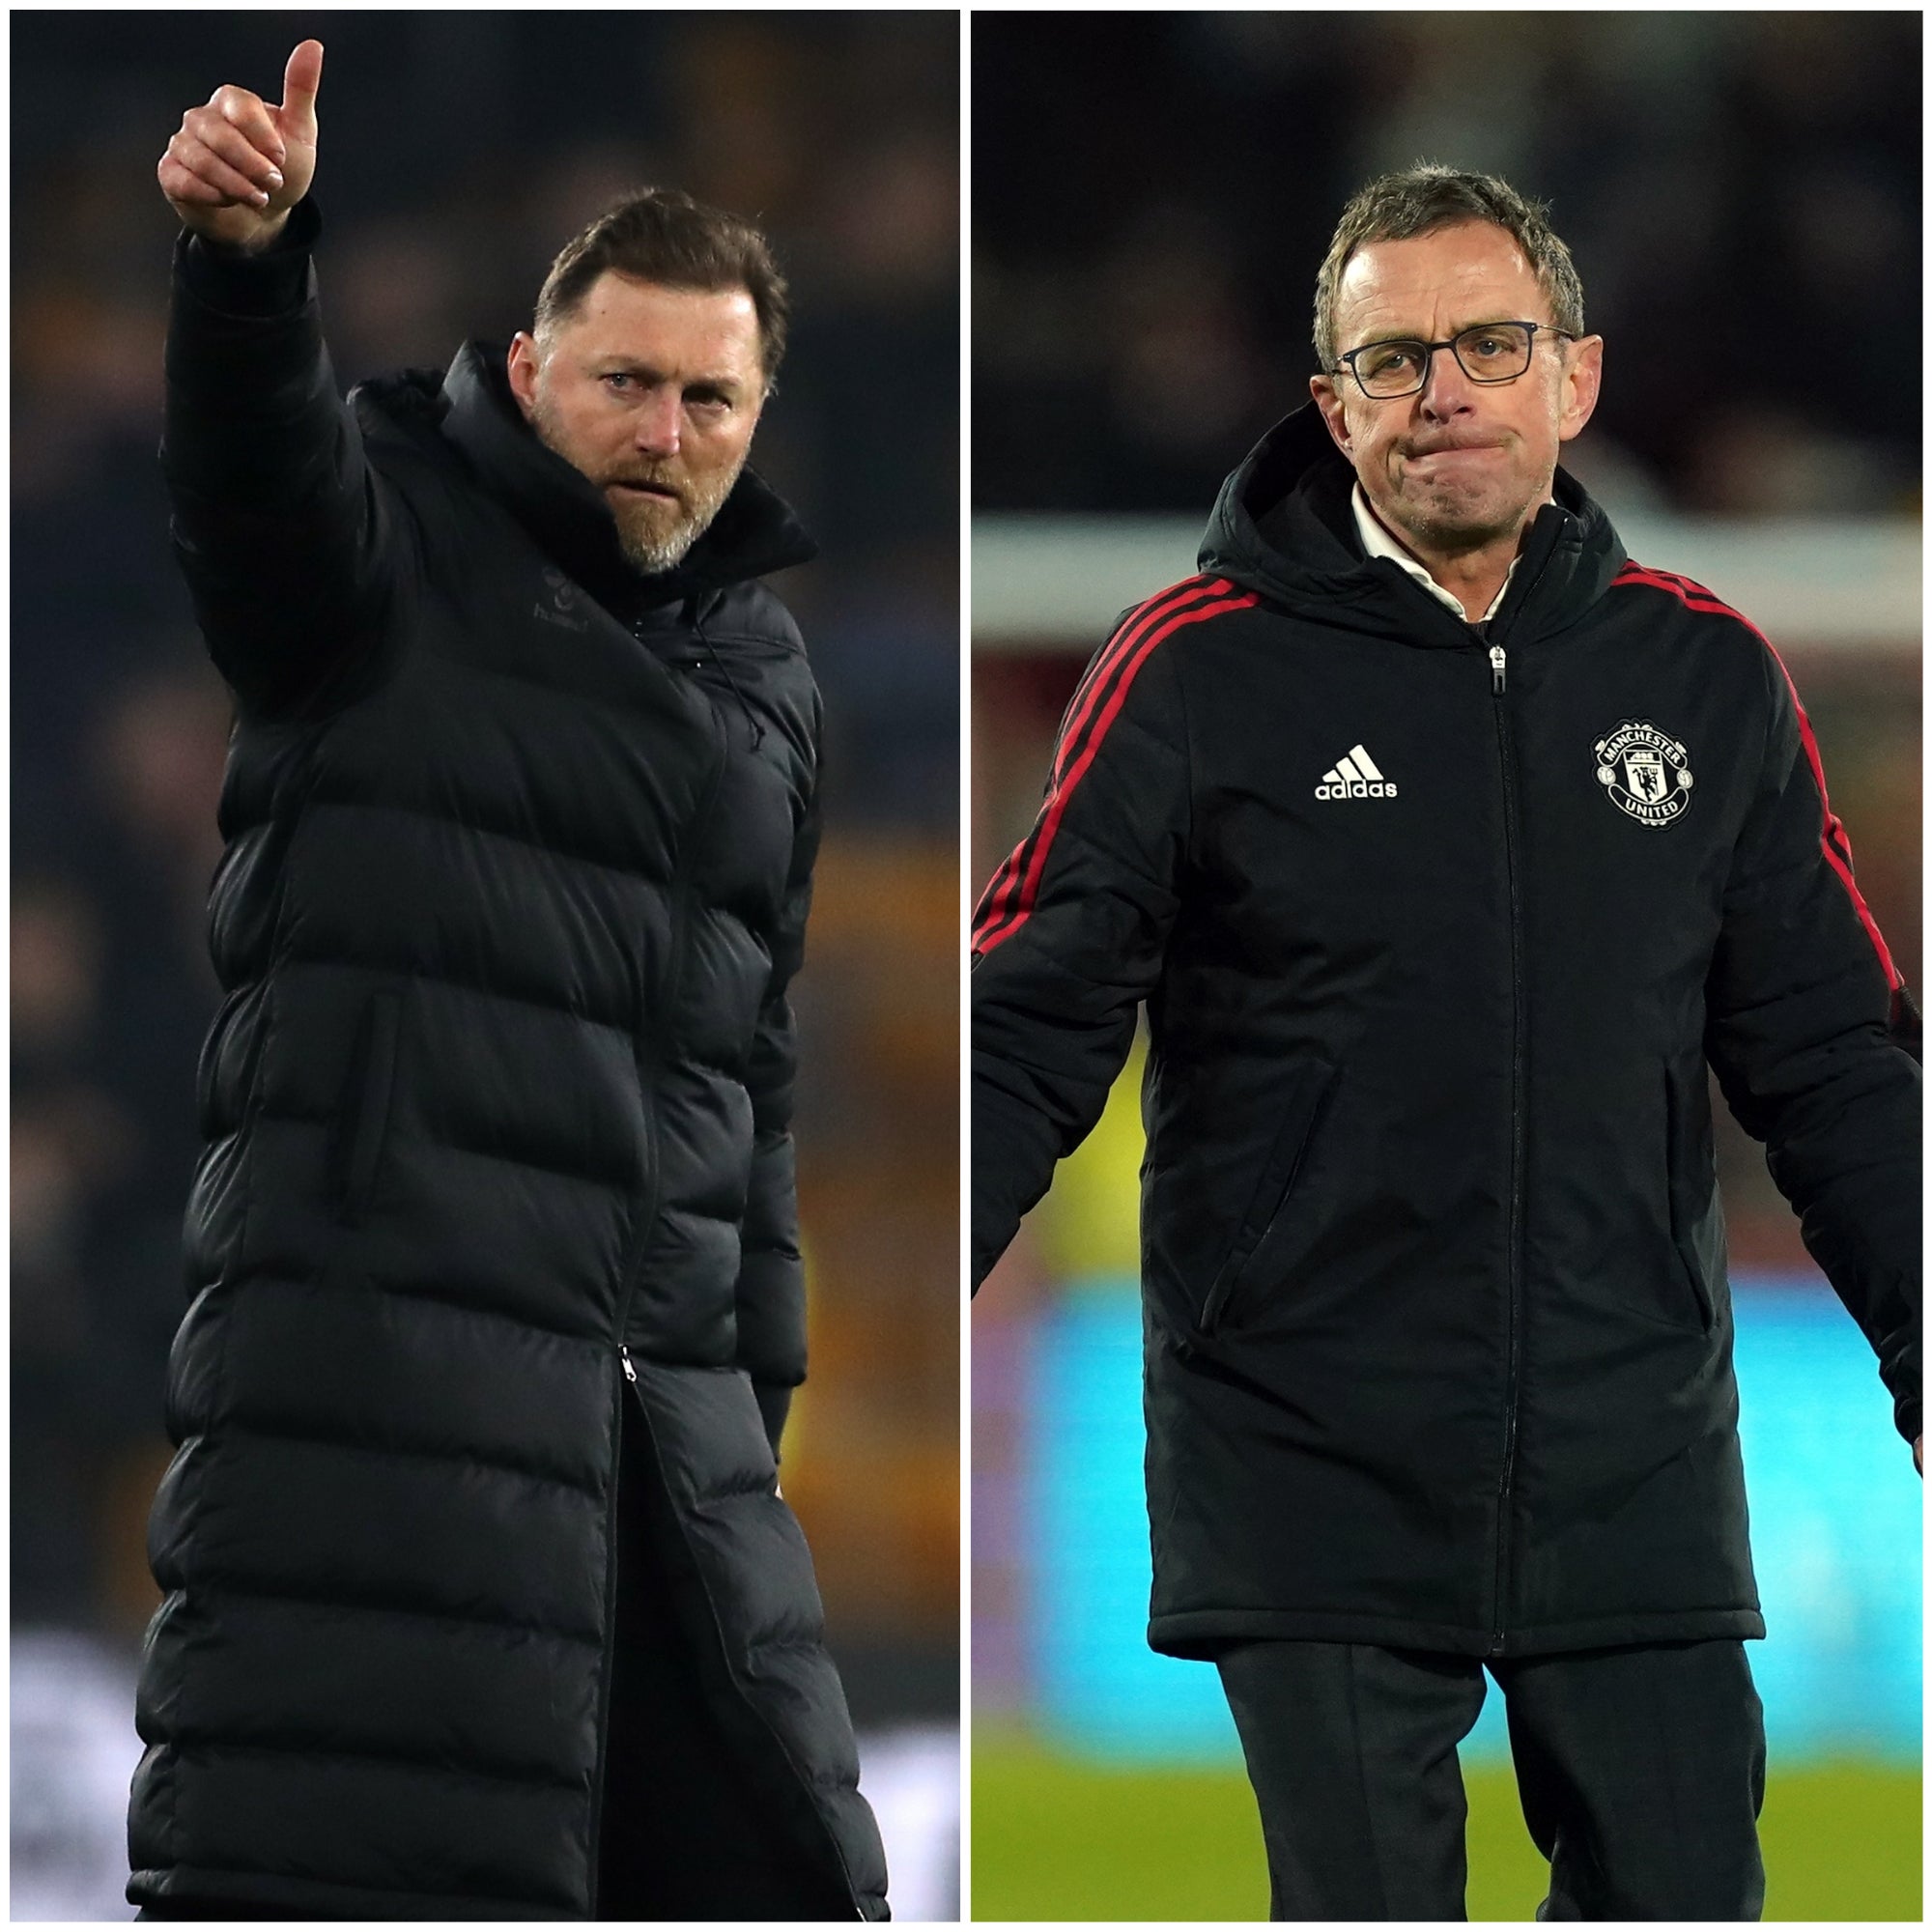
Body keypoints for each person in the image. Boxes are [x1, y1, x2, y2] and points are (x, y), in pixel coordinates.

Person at [971, 165, 1919, 1922]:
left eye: (1490, 343)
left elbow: (1840, 1063)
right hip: (1311, 1454)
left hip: (1629, 1448)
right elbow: (1025, 1025)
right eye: (1393, 358)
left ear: (1578, 377)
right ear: (1332, 408)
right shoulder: (1190, 674)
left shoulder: (1706, 680)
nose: (1444, 392)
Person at [130, 40, 889, 1920]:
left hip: (664, 1454)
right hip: (385, 1417)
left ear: (759, 406)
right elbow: (252, 485)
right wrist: (245, 273)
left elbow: (749, 1080)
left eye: (709, 396)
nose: (665, 428)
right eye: (624, 381)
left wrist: (749, 1405)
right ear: (531, 374)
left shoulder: (767, 680)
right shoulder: (384, 539)